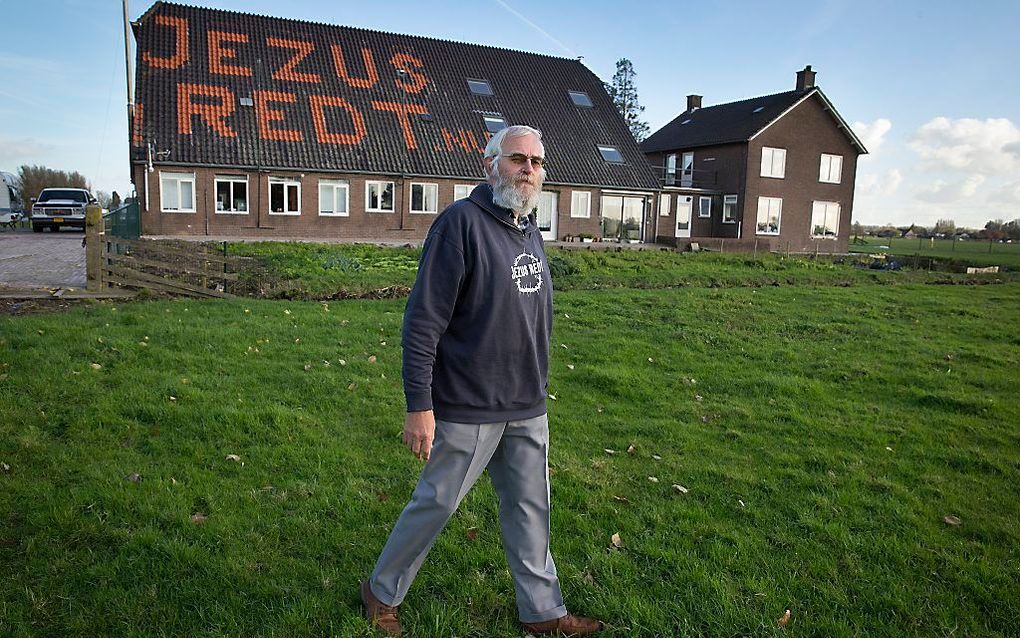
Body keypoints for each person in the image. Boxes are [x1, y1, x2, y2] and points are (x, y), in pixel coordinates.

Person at [360, 125, 604, 636]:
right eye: (518, 159)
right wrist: (418, 405)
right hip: (470, 402)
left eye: (536, 162)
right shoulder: (460, 225)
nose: (528, 170)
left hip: (527, 402)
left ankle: (542, 611)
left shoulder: (528, 227)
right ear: (490, 163)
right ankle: (381, 591)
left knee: (531, 508)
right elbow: (423, 320)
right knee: (438, 503)